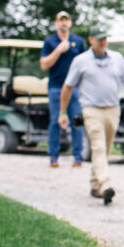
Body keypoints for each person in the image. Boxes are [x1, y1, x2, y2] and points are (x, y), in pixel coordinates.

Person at [58, 24, 124, 205]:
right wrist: (63, 111)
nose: (103, 42)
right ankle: (105, 186)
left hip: (113, 109)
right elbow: (67, 87)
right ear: (90, 40)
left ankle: (95, 185)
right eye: (99, 39)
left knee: (104, 149)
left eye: (105, 38)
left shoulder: (117, 58)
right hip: (91, 109)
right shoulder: (81, 61)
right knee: (98, 147)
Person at [40, 11, 86, 167]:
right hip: (56, 87)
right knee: (55, 121)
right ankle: (53, 156)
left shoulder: (78, 42)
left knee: (77, 122)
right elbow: (44, 64)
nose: (64, 23)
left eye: (66, 20)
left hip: (74, 87)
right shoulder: (50, 42)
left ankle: (78, 156)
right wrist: (58, 50)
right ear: (56, 23)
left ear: (70, 23)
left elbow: (85, 64)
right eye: (61, 20)